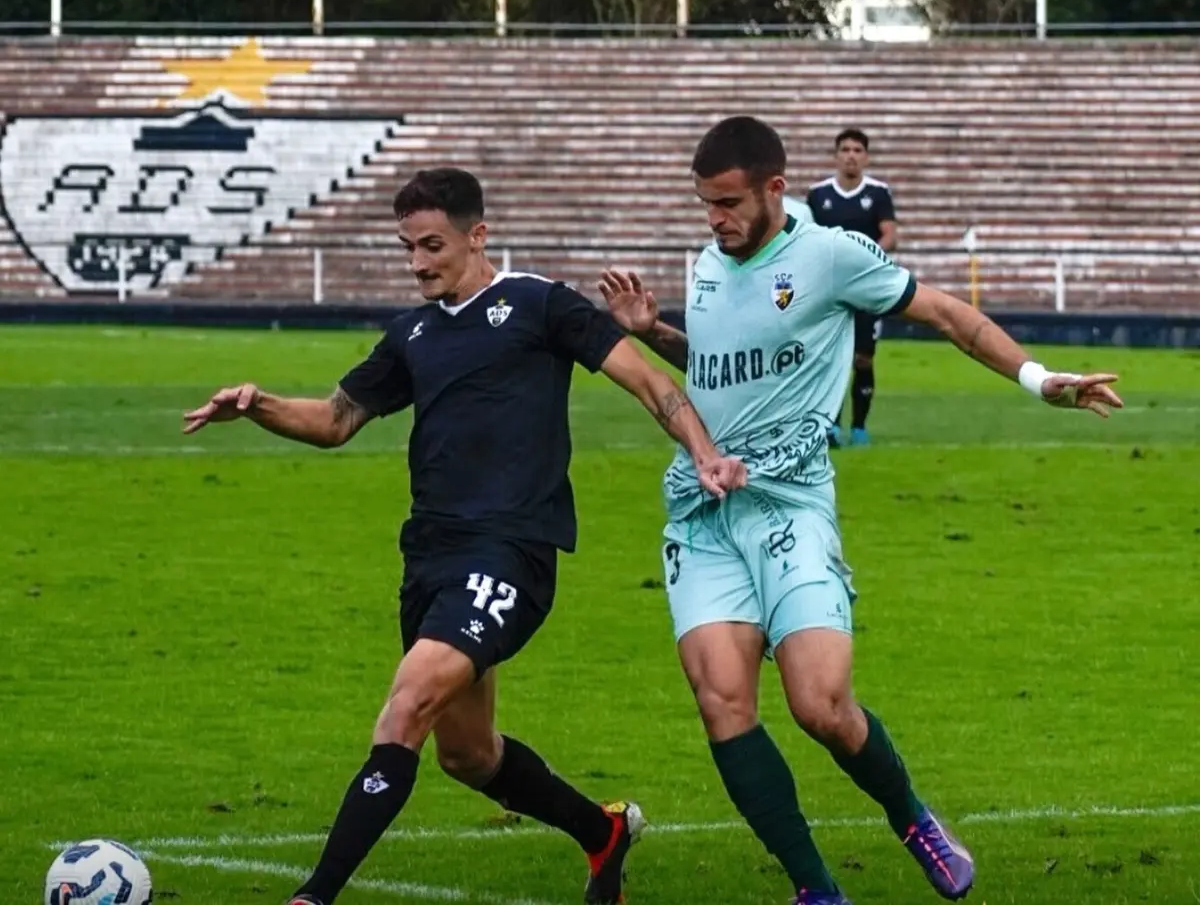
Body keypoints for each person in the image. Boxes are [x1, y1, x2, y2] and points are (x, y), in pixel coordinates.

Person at [182, 167, 746, 905]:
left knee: (408, 702)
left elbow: (647, 381)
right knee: (469, 755)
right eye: (407, 248)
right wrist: (259, 406)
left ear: (476, 236)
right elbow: (335, 420)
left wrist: (702, 451)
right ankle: (602, 832)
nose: (417, 262)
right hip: (431, 557)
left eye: (431, 245)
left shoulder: (538, 304)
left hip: (511, 550)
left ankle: (313, 894)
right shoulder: (411, 333)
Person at [599, 116, 1122, 905]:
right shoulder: (710, 262)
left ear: (775, 188)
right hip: (703, 512)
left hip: (793, 504)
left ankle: (912, 818)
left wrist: (1039, 379)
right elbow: (718, 370)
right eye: (706, 204)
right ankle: (816, 889)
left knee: (821, 704)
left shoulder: (829, 254)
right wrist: (655, 332)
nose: (715, 219)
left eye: (730, 202)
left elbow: (949, 316)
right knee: (722, 704)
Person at [806, 128, 898, 447]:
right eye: (845, 149)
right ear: (836, 155)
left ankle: (859, 427)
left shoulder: (878, 192)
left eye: (857, 150)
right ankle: (829, 425)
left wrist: (864, 259)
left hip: (866, 289)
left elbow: (890, 235)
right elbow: (807, 237)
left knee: (862, 359)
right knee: (828, 358)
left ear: (866, 157)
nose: (851, 155)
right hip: (828, 289)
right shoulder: (818, 194)